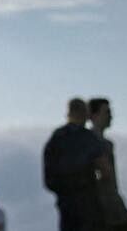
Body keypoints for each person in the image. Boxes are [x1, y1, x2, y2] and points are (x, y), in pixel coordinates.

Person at [43, 98, 107, 231]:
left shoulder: (55, 139)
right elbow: (104, 169)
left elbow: (48, 179)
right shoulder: (88, 138)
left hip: (66, 207)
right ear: (84, 113)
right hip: (89, 206)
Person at [88, 98, 127, 231]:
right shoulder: (88, 142)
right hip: (101, 204)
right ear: (94, 115)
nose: (110, 116)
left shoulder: (107, 144)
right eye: (106, 112)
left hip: (112, 199)